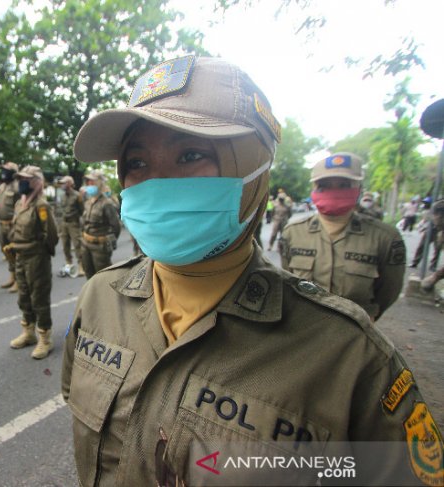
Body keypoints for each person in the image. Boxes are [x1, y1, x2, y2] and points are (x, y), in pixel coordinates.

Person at [61, 56, 440, 486]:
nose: (158, 182)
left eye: (190, 155)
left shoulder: (347, 356)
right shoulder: (100, 297)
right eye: (137, 163)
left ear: (254, 170)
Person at [281, 152, 405, 321]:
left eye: (344, 185)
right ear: (314, 189)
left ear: (359, 188)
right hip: (304, 328)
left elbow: (389, 291)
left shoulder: (385, 238)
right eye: (324, 185)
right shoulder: (292, 233)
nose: (334, 191)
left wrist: (365, 319)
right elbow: (288, 283)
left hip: (355, 334)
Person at [3, 165, 58, 359]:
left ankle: (45, 337)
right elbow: (16, 228)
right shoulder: (20, 203)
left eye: (26, 179)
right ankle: (28, 332)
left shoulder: (41, 206)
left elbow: (51, 234)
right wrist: (12, 245)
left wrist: (44, 254)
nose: (21, 182)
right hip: (20, 256)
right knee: (24, 296)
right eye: (20, 179)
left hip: (36, 258)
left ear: (36, 182)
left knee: (39, 299)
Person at [80, 170, 121, 279]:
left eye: (92, 182)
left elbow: (116, 226)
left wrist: (109, 241)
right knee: (89, 275)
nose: (89, 184)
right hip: (86, 244)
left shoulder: (107, 203)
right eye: (88, 182)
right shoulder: (88, 202)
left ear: (99, 183)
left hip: (100, 247)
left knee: (103, 277)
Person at [0, 161, 21, 292]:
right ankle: (12, 276)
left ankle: (19, 280)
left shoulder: (17, 187)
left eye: (6, 170)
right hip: (3, 224)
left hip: (13, 225)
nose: (3, 173)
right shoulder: (2, 187)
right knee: (6, 252)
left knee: (15, 252)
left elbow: (21, 206)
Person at [58, 175, 84, 275]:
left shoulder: (77, 196)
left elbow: (82, 210)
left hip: (74, 223)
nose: (62, 185)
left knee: (77, 244)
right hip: (64, 223)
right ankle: (69, 264)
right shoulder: (62, 196)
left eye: (64, 183)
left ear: (70, 184)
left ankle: (81, 265)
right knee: (65, 245)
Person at [411, 197, 443, 271]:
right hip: (432, 227)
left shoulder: (436, 205)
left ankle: (433, 265)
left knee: (437, 248)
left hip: (440, 229)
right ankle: (415, 262)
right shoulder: (437, 205)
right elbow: (432, 217)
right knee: (422, 245)